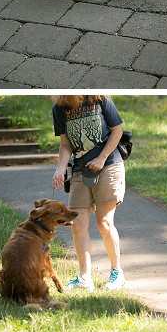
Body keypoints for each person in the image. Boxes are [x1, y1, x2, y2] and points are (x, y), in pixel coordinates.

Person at [51, 95, 126, 291]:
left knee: (104, 222)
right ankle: (85, 279)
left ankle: (117, 273)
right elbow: (66, 144)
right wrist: (60, 168)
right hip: (79, 170)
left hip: (109, 164)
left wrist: (101, 158)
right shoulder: (59, 107)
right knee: (77, 224)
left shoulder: (100, 98)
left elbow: (117, 131)